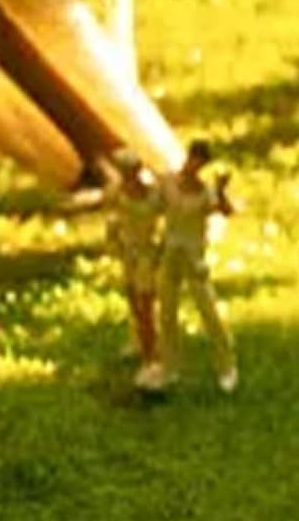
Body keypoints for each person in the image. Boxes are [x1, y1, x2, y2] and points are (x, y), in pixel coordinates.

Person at [150, 139, 237, 394]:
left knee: (209, 310)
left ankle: (226, 366)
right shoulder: (168, 183)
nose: (193, 165)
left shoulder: (205, 192)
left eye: (199, 162)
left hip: (193, 257)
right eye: (192, 159)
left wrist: (221, 191)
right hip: (170, 253)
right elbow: (152, 206)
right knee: (167, 313)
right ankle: (170, 366)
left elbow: (226, 210)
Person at [100, 148, 163, 382]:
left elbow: (166, 217)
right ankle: (140, 341)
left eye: (131, 170)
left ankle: (152, 357)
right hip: (128, 252)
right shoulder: (116, 192)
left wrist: (162, 246)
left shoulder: (153, 194)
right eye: (124, 170)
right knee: (133, 299)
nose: (128, 175)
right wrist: (112, 239)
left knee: (145, 304)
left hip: (146, 252)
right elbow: (112, 218)